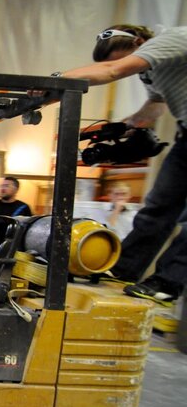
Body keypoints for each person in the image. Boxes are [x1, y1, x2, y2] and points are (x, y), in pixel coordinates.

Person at [54, 24, 187, 302]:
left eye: (122, 59)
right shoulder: (150, 69)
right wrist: (125, 126)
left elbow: (112, 72)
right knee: (157, 208)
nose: (125, 67)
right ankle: (123, 269)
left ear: (139, 42)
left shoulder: (171, 39)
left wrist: (57, 79)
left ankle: (167, 282)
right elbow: (158, 104)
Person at [0, 176, 32, 252]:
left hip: (13, 249)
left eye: (6, 186)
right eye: (2, 186)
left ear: (16, 189)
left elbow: (28, 230)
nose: (2, 189)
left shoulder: (23, 207)